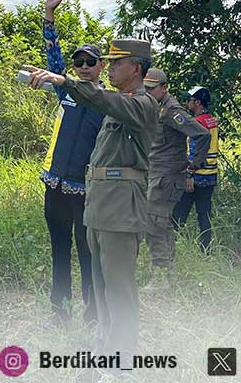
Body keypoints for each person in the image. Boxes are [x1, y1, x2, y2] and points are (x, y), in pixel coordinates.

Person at [24, 38, 158, 366]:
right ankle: (105, 347)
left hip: (120, 205)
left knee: (118, 287)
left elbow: (101, 98)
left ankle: (122, 361)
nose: (109, 67)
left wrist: (64, 80)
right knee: (100, 286)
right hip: (99, 202)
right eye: (108, 62)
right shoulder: (119, 103)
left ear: (136, 68)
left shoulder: (141, 104)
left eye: (116, 62)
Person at [38, 0, 104, 326]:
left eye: (90, 62)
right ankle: (60, 311)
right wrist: (49, 16)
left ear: (101, 66)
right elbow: (54, 62)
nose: (83, 67)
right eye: (79, 62)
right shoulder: (67, 93)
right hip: (55, 186)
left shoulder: (108, 102)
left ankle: (93, 313)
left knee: (89, 253)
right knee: (59, 251)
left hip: (87, 190)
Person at [143, 68, 210, 275]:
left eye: (152, 88)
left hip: (168, 175)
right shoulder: (155, 106)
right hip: (157, 173)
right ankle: (166, 270)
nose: (147, 92)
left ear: (164, 88)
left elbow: (203, 135)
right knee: (161, 223)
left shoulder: (172, 111)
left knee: (154, 223)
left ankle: (160, 273)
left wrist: (194, 164)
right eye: (145, 88)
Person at [172, 86, 219, 251]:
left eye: (189, 100)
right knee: (204, 215)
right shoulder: (211, 120)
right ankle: (206, 249)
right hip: (211, 174)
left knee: (178, 214)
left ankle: (169, 246)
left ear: (197, 102)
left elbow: (194, 151)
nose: (187, 102)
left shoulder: (197, 123)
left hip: (197, 175)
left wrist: (189, 174)